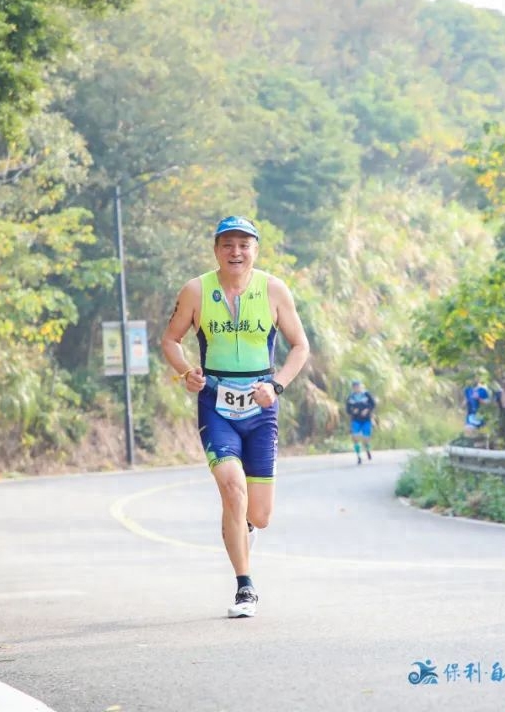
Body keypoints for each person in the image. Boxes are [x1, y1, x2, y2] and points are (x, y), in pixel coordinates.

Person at [161, 215, 310, 618]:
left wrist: (275, 386)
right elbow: (170, 339)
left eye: (244, 244)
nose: (236, 252)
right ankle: (245, 587)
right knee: (231, 486)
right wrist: (186, 373)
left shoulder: (274, 289)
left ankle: (242, 529)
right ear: (216, 249)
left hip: (261, 406)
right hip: (216, 402)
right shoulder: (196, 290)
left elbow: (300, 346)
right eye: (228, 245)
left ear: (255, 249)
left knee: (257, 514)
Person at [345, 380, 377, 464]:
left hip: (366, 420)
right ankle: (358, 456)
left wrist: (367, 410)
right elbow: (348, 409)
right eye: (355, 387)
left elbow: (373, 404)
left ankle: (367, 449)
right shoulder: (351, 397)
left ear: (361, 387)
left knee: (365, 439)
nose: (356, 388)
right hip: (356, 420)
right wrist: (353, 411)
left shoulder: (367, 395)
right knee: (355, 438)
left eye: (358, 386)